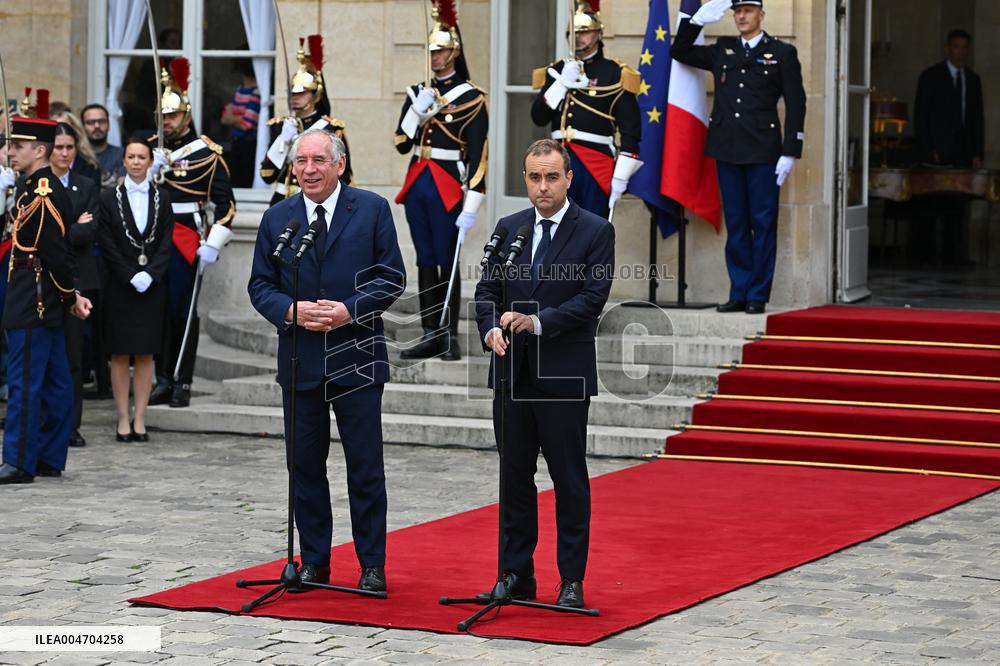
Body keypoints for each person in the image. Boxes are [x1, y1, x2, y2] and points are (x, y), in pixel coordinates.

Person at [248, 129, 405, 593]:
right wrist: (290, 310)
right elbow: (260, 285)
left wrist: (348, 310)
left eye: (319, 159)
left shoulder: (372, 210)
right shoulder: (279, 218)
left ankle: (372, 564)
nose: (309, 169)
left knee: (365, 467)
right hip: (301, 359)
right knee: (305, 467)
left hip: (355, 355)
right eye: (301, 161)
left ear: (339, 164)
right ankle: (314, 561)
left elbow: (392, 277)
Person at [474, 139, 615, 609]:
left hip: (563, 375)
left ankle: (571, 579)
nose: (543, 186)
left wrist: (538, 322)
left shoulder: (595, 230)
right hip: (512, 373)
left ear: (569, 178)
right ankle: (515, 574)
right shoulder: (509, 227)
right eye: (534, 177)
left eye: (552, 177)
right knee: (514, 477)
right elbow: (486, 289)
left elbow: (592, 300)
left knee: (568, 479)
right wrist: (490, 327)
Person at [671, 0, 806, 315]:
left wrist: (790, 151)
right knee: (737, 223)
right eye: (738, 11)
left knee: (763, 223)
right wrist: (694, 22)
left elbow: (797, 103)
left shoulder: (782, 53)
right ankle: (739, 290)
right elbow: (679, 51)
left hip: (763, 151)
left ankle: (757, 295)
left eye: (748, 10)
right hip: (727, 148)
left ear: (761, 15)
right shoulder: (723, 49)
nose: (742, 16)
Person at [0, 113, 92, 484]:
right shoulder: (34, 186)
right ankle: (49, 456)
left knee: (25, 382)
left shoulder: (41, 191)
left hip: (33, 296)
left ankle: (20, 460)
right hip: (46, 296)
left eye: (18, 147)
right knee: (56, 381)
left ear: (40, 150)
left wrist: (70, 295)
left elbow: (53, 251)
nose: (10, 153)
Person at [394, 0, 487, 362]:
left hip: (449, 182)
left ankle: (448, 335)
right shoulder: (418, 93)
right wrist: (415, 114)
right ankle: (429, 331)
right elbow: (402, 144)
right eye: (431, 50)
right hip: (418, 181)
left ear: (455, 51)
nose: (434, 57)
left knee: (447, 259)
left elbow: (478, 155)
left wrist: (473, 200)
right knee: (424, 258)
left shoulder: (472, 98)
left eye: (441, 50)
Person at [147, 58, 236, 408]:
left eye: (172, 116)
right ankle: (161, 377)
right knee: (157, 310)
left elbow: (226, 205)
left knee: (183, 311)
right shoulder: (151, 150)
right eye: (163, 116)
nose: (166, 122)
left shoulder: (207, 154)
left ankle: (181, 380)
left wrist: (212, 244)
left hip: (186, 237)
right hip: (151, 237)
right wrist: (147, 173)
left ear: (186, 115)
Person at [530, 0, 643, 220]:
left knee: (593, 233)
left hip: (595, 164)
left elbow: (631, 131)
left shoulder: (615, 73)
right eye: (574, 32)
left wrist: (620, 177)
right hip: (558, 162)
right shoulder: (556, 70)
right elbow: (538, 117)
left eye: (585, 31)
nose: (579, 37)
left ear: (598, 34)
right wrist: (561, 83)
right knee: (555, 232)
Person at [99, 138, 174, 442]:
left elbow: (166, 242)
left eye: (142, 156)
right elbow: (106, 242)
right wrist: (130, 274)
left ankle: (140, 418)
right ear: (124, 161)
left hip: (151, 287)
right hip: (120, 286)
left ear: (150, 161)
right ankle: (121, 418)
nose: (136, 162)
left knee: (145, 354)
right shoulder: (108, 198)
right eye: (130, 156)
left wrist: (151, 274)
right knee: (120, 353)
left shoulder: (162, 197)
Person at [51, 122, 101, 448]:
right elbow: (40, 237)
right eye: (59, 147)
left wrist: (61, 232)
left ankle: (71, 425)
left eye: (70, 147)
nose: (65, 153)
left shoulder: (85, 185)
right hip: (45, 281)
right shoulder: (38, 184)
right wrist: (71, 227)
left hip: (77, 280)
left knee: (73, 356)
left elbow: (89, 232)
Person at [259, 35, 353, 205]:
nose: (295, 98)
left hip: (319, 200)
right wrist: (283, 141)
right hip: (283, 199)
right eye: (293, 93)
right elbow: (267, 175)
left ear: (315, 95)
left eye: (301, 93)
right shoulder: (280, 126)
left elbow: (344, 175)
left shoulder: (332, 128)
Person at [915, 29, 984, 169]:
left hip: (966, 151)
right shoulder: (931, 76)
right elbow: (921, 116)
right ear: (948, 48)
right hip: (939, 150)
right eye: (956, 47)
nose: (961, 52)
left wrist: (978, 153)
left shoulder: (973, 79)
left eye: (965, 47)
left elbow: (977, 118)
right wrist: (929, 149)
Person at [221, 61, 260, 188]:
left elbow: (247, 124)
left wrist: (233, 117)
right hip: (236, 142)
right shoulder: (240, 90)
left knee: (243, 179)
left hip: (249, 144)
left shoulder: (257, 92)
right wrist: (239, 118)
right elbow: (224, 118)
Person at [81, 104, 126, 189]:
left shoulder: (123, 155)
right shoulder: (75, 156)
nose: (97, 126)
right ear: (82, 127)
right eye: (90, 122)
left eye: (101, 121)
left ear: (108, 125)